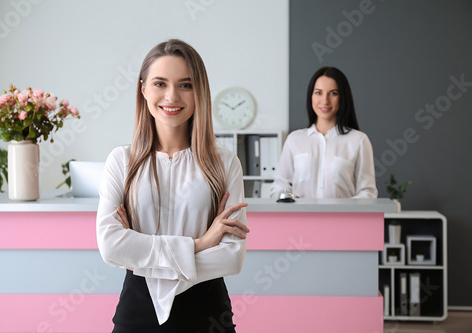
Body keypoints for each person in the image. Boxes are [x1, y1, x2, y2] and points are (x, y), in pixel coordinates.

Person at [96, 39, 249, 333]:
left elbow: (232, 256)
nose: (172, 96)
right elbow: (110, 246)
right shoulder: (121, 161)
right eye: (160, 83)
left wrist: (138, 257)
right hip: (138, 311)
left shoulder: (224, 163)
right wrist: (201, 244)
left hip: (208, 313)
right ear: (143, 89)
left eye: (185, 85)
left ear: (199, 91)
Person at [271, 66, 378, 199]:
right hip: (301, 218)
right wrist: (291, 200)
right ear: (311, 96)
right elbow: (279, 187)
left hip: (344, 219)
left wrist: (343, 211)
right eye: (318, 93)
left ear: (343, 97)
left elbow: (367, 192)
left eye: (333, 93)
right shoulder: (294, 139)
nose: (325, 101)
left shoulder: (359, 140)